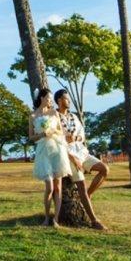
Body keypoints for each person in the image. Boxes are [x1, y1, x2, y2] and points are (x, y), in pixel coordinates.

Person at [54, 88, 109, 231]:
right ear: (59, 101)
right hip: (69, 156)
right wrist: (72, 158)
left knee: (104, 169)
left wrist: (76, 138)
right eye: (66, 99)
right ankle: (94, 220)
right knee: (81, 187)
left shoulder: (74, 116)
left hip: (82, 151)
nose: (69, 101)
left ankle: (88, 196)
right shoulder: (55, 118)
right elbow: (55, 142)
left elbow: (82, 135)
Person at [29, 87, 71, 227]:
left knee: (58, 186)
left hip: (57, 148)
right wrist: (42, 134)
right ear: (42, 98)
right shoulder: (33, 116)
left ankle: (56, 219)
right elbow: (31, 137)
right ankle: (46, 217)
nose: (50, 100)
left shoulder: (54, 113)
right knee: (49, 186)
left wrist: (52, 130)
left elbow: (60, 130)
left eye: (51, 98)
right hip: (43, 150)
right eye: (48, 97)